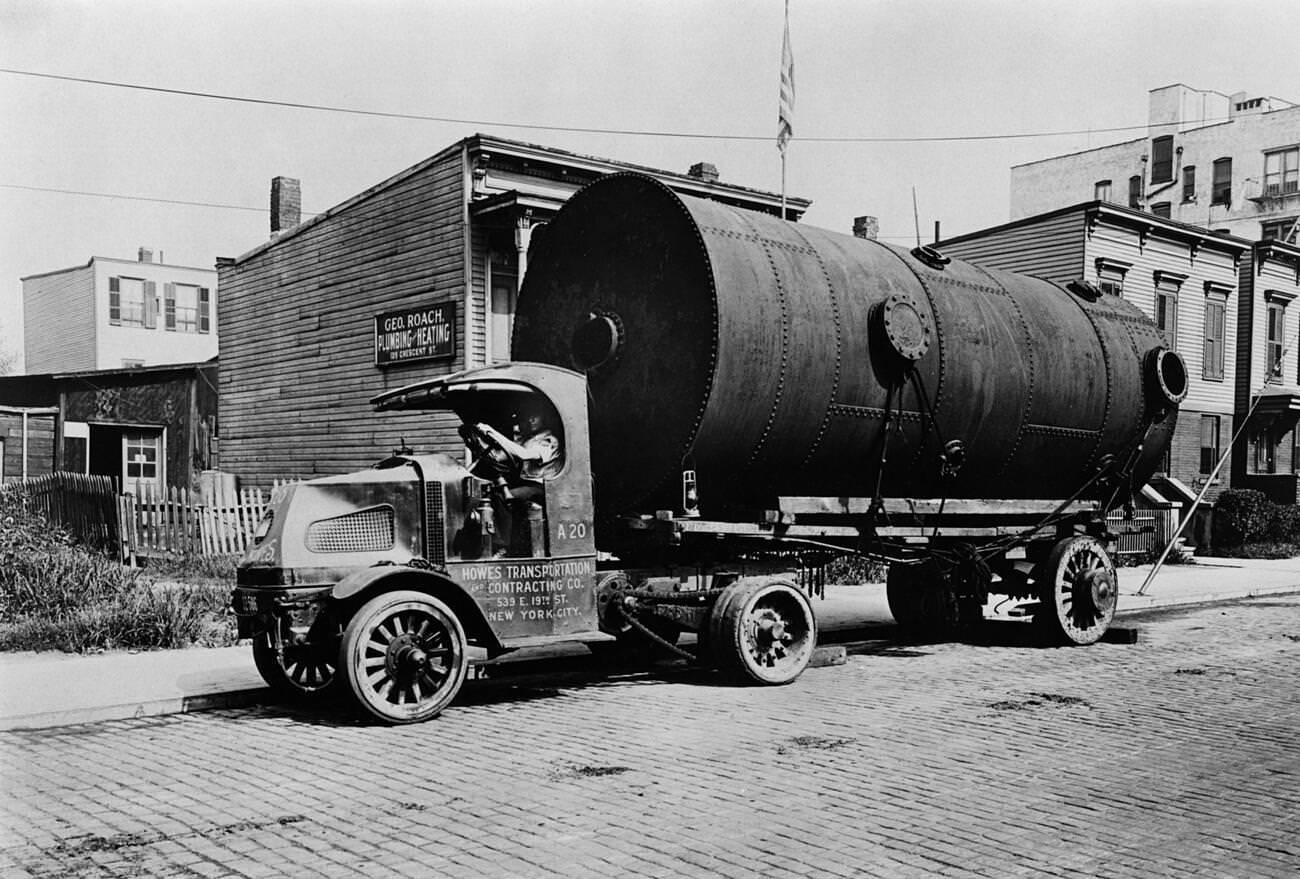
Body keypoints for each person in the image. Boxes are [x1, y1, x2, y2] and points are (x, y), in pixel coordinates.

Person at [461, 401, 563, 557]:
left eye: (535, 416)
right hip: (524, 484)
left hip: (542, 488)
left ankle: (503, 547)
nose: (530, 420)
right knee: (486, 494)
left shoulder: (549, 439)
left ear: (544, 418)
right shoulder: (528, 439)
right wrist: (482, 446)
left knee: (501, 496)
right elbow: (501, 456)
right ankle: (481, 545)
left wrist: (492, 432)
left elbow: (524, 454)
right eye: (528, 417)